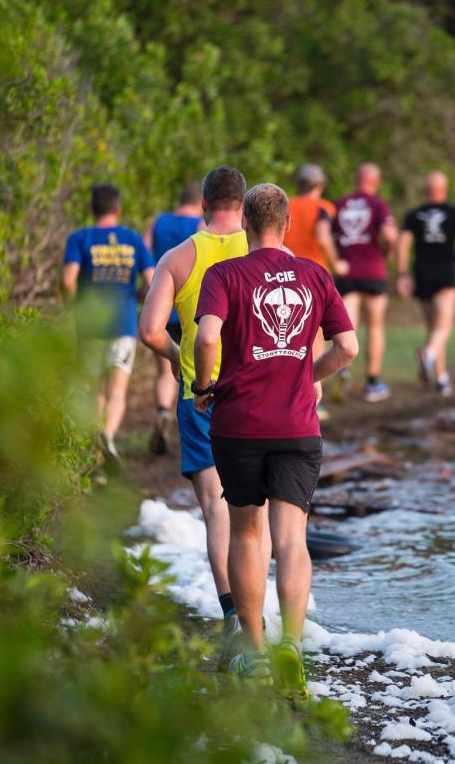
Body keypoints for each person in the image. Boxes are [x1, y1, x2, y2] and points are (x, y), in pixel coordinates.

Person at [193, 183, 358, 697]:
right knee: (291, 539)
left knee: (246, 534)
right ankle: (291, 647)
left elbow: (204, 337)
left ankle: (257, 654)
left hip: (239, 425)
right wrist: (308, 376)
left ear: (245, 222)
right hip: (297, 426)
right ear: (287, 225)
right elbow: (348, 348)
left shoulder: (223, 274)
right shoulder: (315, 274)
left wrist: (204, 386)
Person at [138, 166, 268, 658]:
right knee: (257, 513)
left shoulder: (179, 256)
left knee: (218, 509)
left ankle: (236, 617)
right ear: (244, 204)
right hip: (257, 395)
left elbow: (150, 329)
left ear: (204, 203)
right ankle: (264, 617)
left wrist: (175, 359)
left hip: (203, 395)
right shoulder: (263, 252)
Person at [62, 184, 155, 469]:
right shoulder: (133, 240)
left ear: (92, 209)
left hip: (90, 328)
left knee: (95, 392)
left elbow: (67, 281)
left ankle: (96, 457)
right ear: (118, 209)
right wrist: (137, 298)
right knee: (116, 392)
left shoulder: (80, 238)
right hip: (123, 326)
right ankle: (108, 436)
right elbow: (151, 281)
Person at [397, 171, 455, 397]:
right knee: (444, 326)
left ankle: (441, 378)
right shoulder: (454, 213)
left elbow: (403, 244)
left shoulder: (415, 214)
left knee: (433, 327)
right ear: (445, 189)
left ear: (427, 190)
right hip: (444, 272)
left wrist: (403, 274)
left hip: (421, 272)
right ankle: (429, 356)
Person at [144, 182, 205, 454]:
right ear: (202, 200)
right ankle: (191, 420)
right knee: (194, 367)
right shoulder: (201, 227)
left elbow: (145, 253)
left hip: (162, 306)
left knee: (166, 369)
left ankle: (162, 412)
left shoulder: (158, 222)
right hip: (189, 308)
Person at [286, 164, 346, 421]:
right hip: (313, 276)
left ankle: (285, 393)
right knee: (314, 338)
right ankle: (310, 398)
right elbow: (323, 237)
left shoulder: (284, 205)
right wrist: (337, 263)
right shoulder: (324, 207)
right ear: (319, 186)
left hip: (284, 272)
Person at [333, 162, 397, 402]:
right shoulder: (378, 205)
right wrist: (387, 252)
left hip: (347, 272)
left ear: (356, 179)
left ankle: (344, 368)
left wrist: (334, 260)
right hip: (373, 270)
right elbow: (389, 235)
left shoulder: (340, 204)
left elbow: (328, 235)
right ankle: (372, 382)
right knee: (376, 326)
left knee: (349, 326)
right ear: (376, 181)